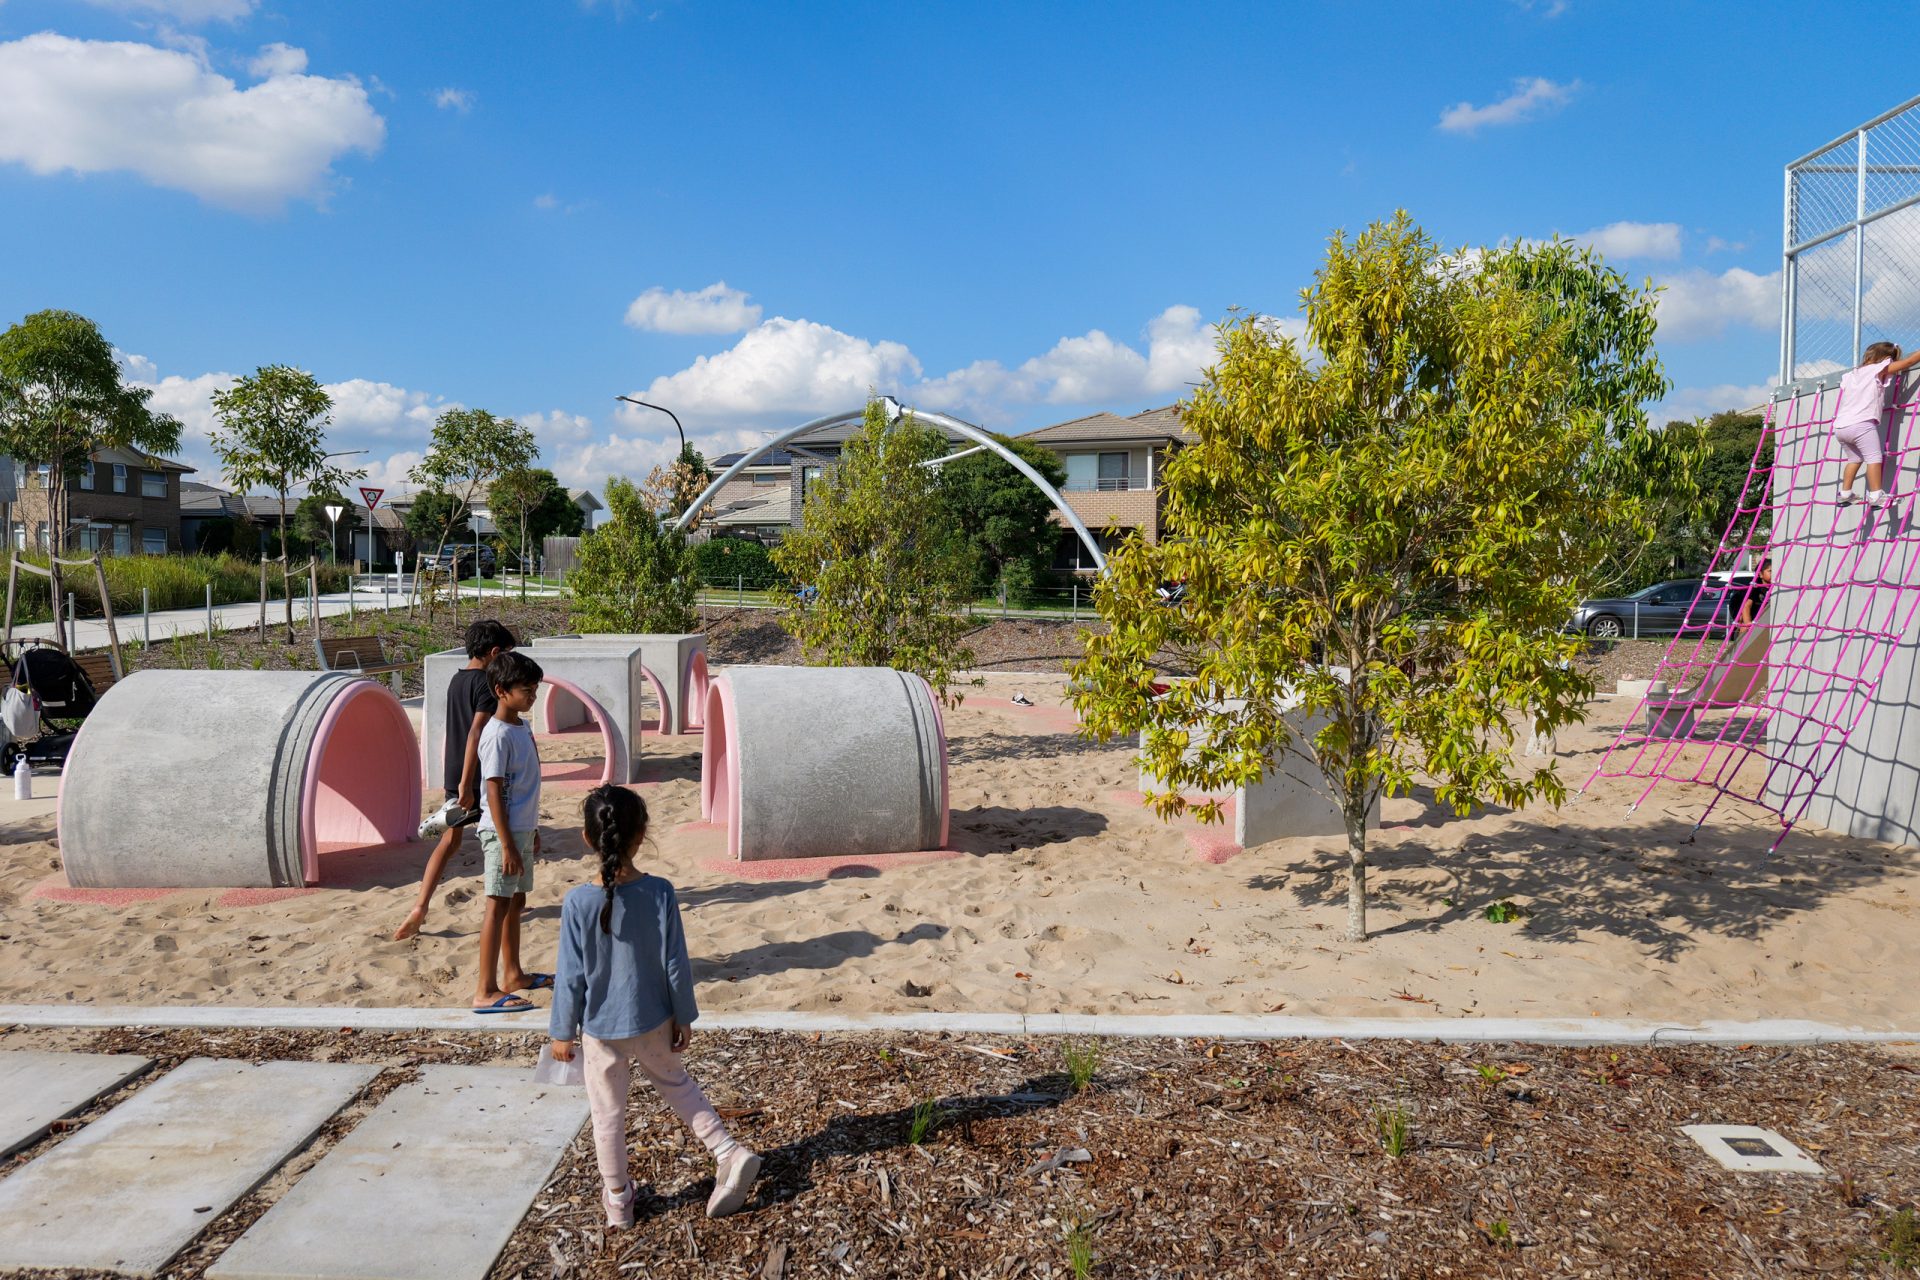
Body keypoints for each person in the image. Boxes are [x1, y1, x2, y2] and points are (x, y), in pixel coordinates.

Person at [548, 784, 761, 1230]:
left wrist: (561, 1032)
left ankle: (619, 1201)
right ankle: (727, 1151)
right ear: (642, 835)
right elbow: (675, 963)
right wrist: (683, 1015)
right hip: (653, 1020)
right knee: (679, 1087)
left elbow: (570, 976)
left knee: (607, 1114)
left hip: (601, 1028)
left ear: (588, 838)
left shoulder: (577, 903)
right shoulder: (660, 892)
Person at [394, 619, 517, 942]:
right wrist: (467, 784)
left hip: (455, 769)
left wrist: (455, 778)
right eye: (505, 655)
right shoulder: (488, 686)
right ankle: (506, 902)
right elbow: (476, 732)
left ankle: (420, 906)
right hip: (477, 775)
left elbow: (456, 729)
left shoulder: (456, 680)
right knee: (501, 838)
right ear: (493, 653)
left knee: (450, 842)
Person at [472, 649, 549, 1014]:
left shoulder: (521, 725)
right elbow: (494, 790)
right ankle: (485, 989)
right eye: (525, 690)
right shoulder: (497, 734)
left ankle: (513, 973)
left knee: (516, 902)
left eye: (534, 689)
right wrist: (505, 843)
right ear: (501, 690)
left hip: (520, 829)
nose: (532, 696)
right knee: (496, 905)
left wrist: (530, 830)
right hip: (500, 834)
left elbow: (524, 784)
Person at [1833, 341, 1920, 507]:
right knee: (1874, 458)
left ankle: (1844, 494)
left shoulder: (1852, 374)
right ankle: (1876, 496)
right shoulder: (1879, 369)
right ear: (1887, 359)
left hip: (1840, 427)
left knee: (1854, 459)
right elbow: (1908, 363)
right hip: (1862, 424)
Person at [1737, 558, 1773, 626]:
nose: (1773, 573)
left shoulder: (1776, 588)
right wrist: (1748, 623)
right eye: (1770, 571)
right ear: (1760, 574)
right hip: (1756, 623)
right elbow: (1746, 607)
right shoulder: (1756, 589)